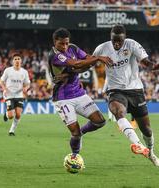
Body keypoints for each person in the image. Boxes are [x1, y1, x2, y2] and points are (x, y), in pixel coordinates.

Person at [93, 24, 159, 166]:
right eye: (114, 40)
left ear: (124, 38)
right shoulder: (102, 48)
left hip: (135, 90)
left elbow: (145, 62)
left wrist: (154, 67)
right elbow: (88, 62)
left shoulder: (132, 45)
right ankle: (138, 145)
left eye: (119, 40)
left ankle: (150, 152)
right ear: (111, 37)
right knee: (117, 111)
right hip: (115, 90)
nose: (116, 43)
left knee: (146, 129)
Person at [47, 28, 113, 156]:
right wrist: (97, 59)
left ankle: (81, 132)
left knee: (100, 121)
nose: (65, 46)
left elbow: (87, 59)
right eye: (61, 43)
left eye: (66, 43)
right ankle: (75, 156)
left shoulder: (72, 47)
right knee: (74, 133)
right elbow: (77, 64)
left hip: (79, 93)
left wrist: (89, 62)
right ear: (55, 42)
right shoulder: (54, 55)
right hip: (62, 97)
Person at [0, 53, 30, 136]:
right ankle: (6, 114)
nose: (17, 60)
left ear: (21, 61)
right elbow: (1, 81)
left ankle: (11, 131)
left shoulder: (24, 72)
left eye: (18, 59)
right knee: (10, 116)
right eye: (15, 59)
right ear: (13, 61)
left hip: (19, 95)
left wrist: (26, 88)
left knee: (18, 114)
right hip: (9, 94)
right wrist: (4, 88)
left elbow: (28, 83)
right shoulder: (8, 70)